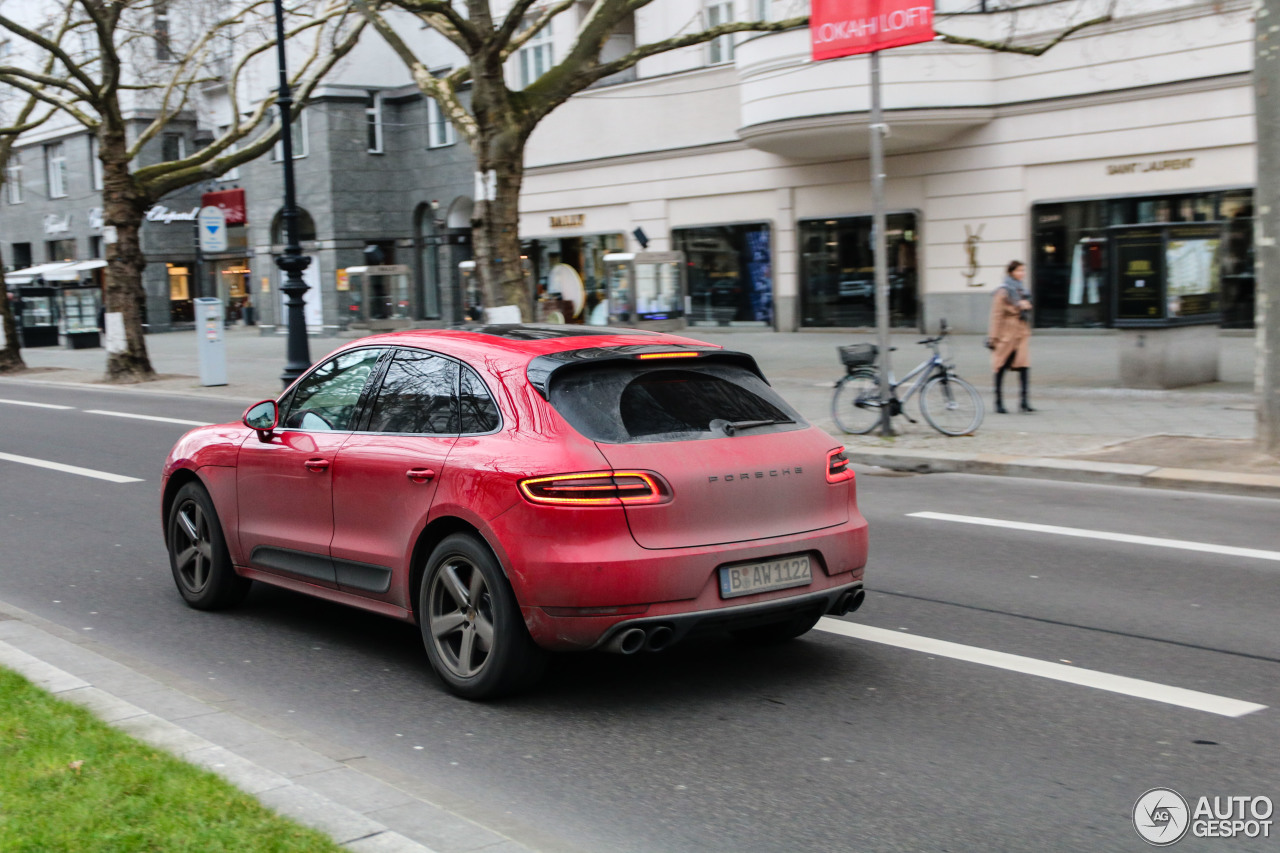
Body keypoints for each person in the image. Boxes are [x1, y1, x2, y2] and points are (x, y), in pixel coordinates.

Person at [988, 260, 1034, 413]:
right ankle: (998, 402)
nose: (1022, 273)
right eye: (1020, 270)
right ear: (1011, 272)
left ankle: (1024, 402)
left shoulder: (1022, 290)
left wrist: (1025, 306)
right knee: (1000, 368)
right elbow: (996, 316)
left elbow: (1026, 306)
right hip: (1006, 335)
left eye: (1023, 270)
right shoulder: (1003, 292)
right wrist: (993, 338)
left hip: (1021, 333)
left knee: (1024, 367)